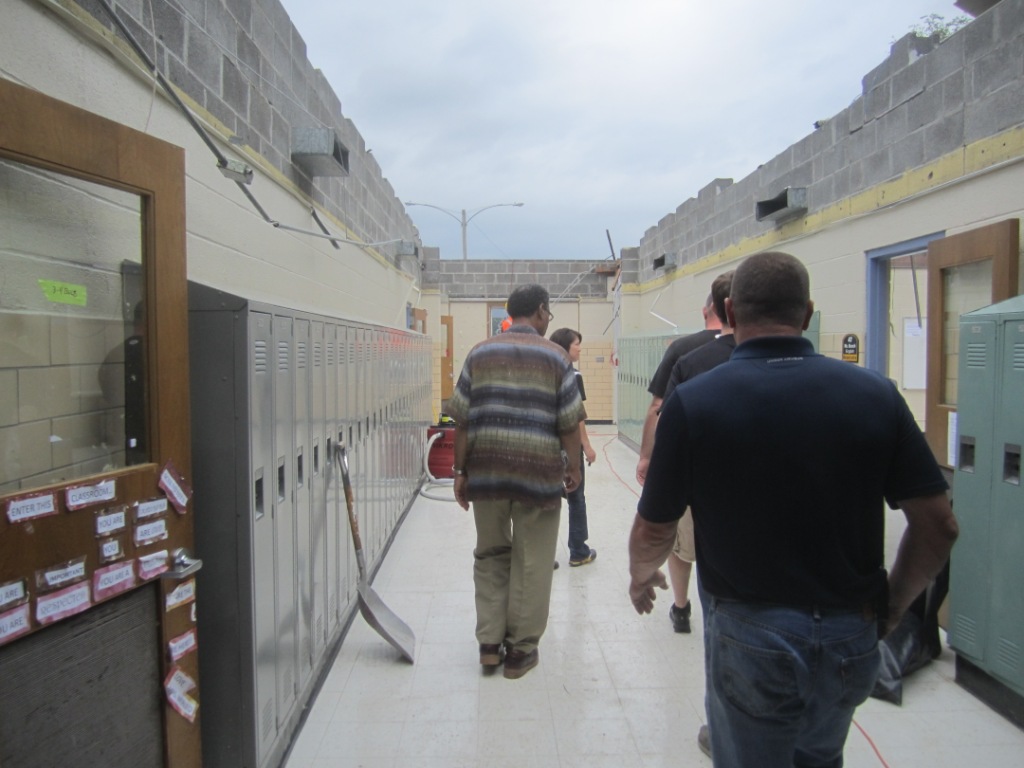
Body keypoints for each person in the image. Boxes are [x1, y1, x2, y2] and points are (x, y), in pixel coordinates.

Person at [628, 251, 958, 768]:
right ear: (806, 313)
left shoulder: (697, 401)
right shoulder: (876, 395)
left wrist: (640, 577)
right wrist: (892, 607)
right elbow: (939, 524)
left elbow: (654, 527)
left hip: (751, 634)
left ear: (731, 313)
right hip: (852, 633)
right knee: (821, 759)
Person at [447, 284, 585, 680]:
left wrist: (460, 472)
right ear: (541, 312)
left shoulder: (479, 353)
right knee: (533, 559)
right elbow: (569, 423)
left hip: (486, 472)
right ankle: (520, 652)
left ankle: (490, 643)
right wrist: (572, 466)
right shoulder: (557, 357)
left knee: (490, 553)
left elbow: (462, 419)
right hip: (538, 475)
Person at [636, 276, 729, 636]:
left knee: (682, 543)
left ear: (707, 310)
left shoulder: (685, 351)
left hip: (692, 466)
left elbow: (658, 408)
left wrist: (647, 457)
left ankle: (681, 606)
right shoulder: (756, 350)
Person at [549, 327, 597, 567]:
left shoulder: (544, 373)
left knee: (545, 498)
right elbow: (577, 417)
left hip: (546, 445)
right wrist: (586, 446)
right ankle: (578, 551)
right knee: (576, 497)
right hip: (568, 446)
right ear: (566, 346)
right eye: (577, 343)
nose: (579, 347)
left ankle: (543, 554)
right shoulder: (573, 376)